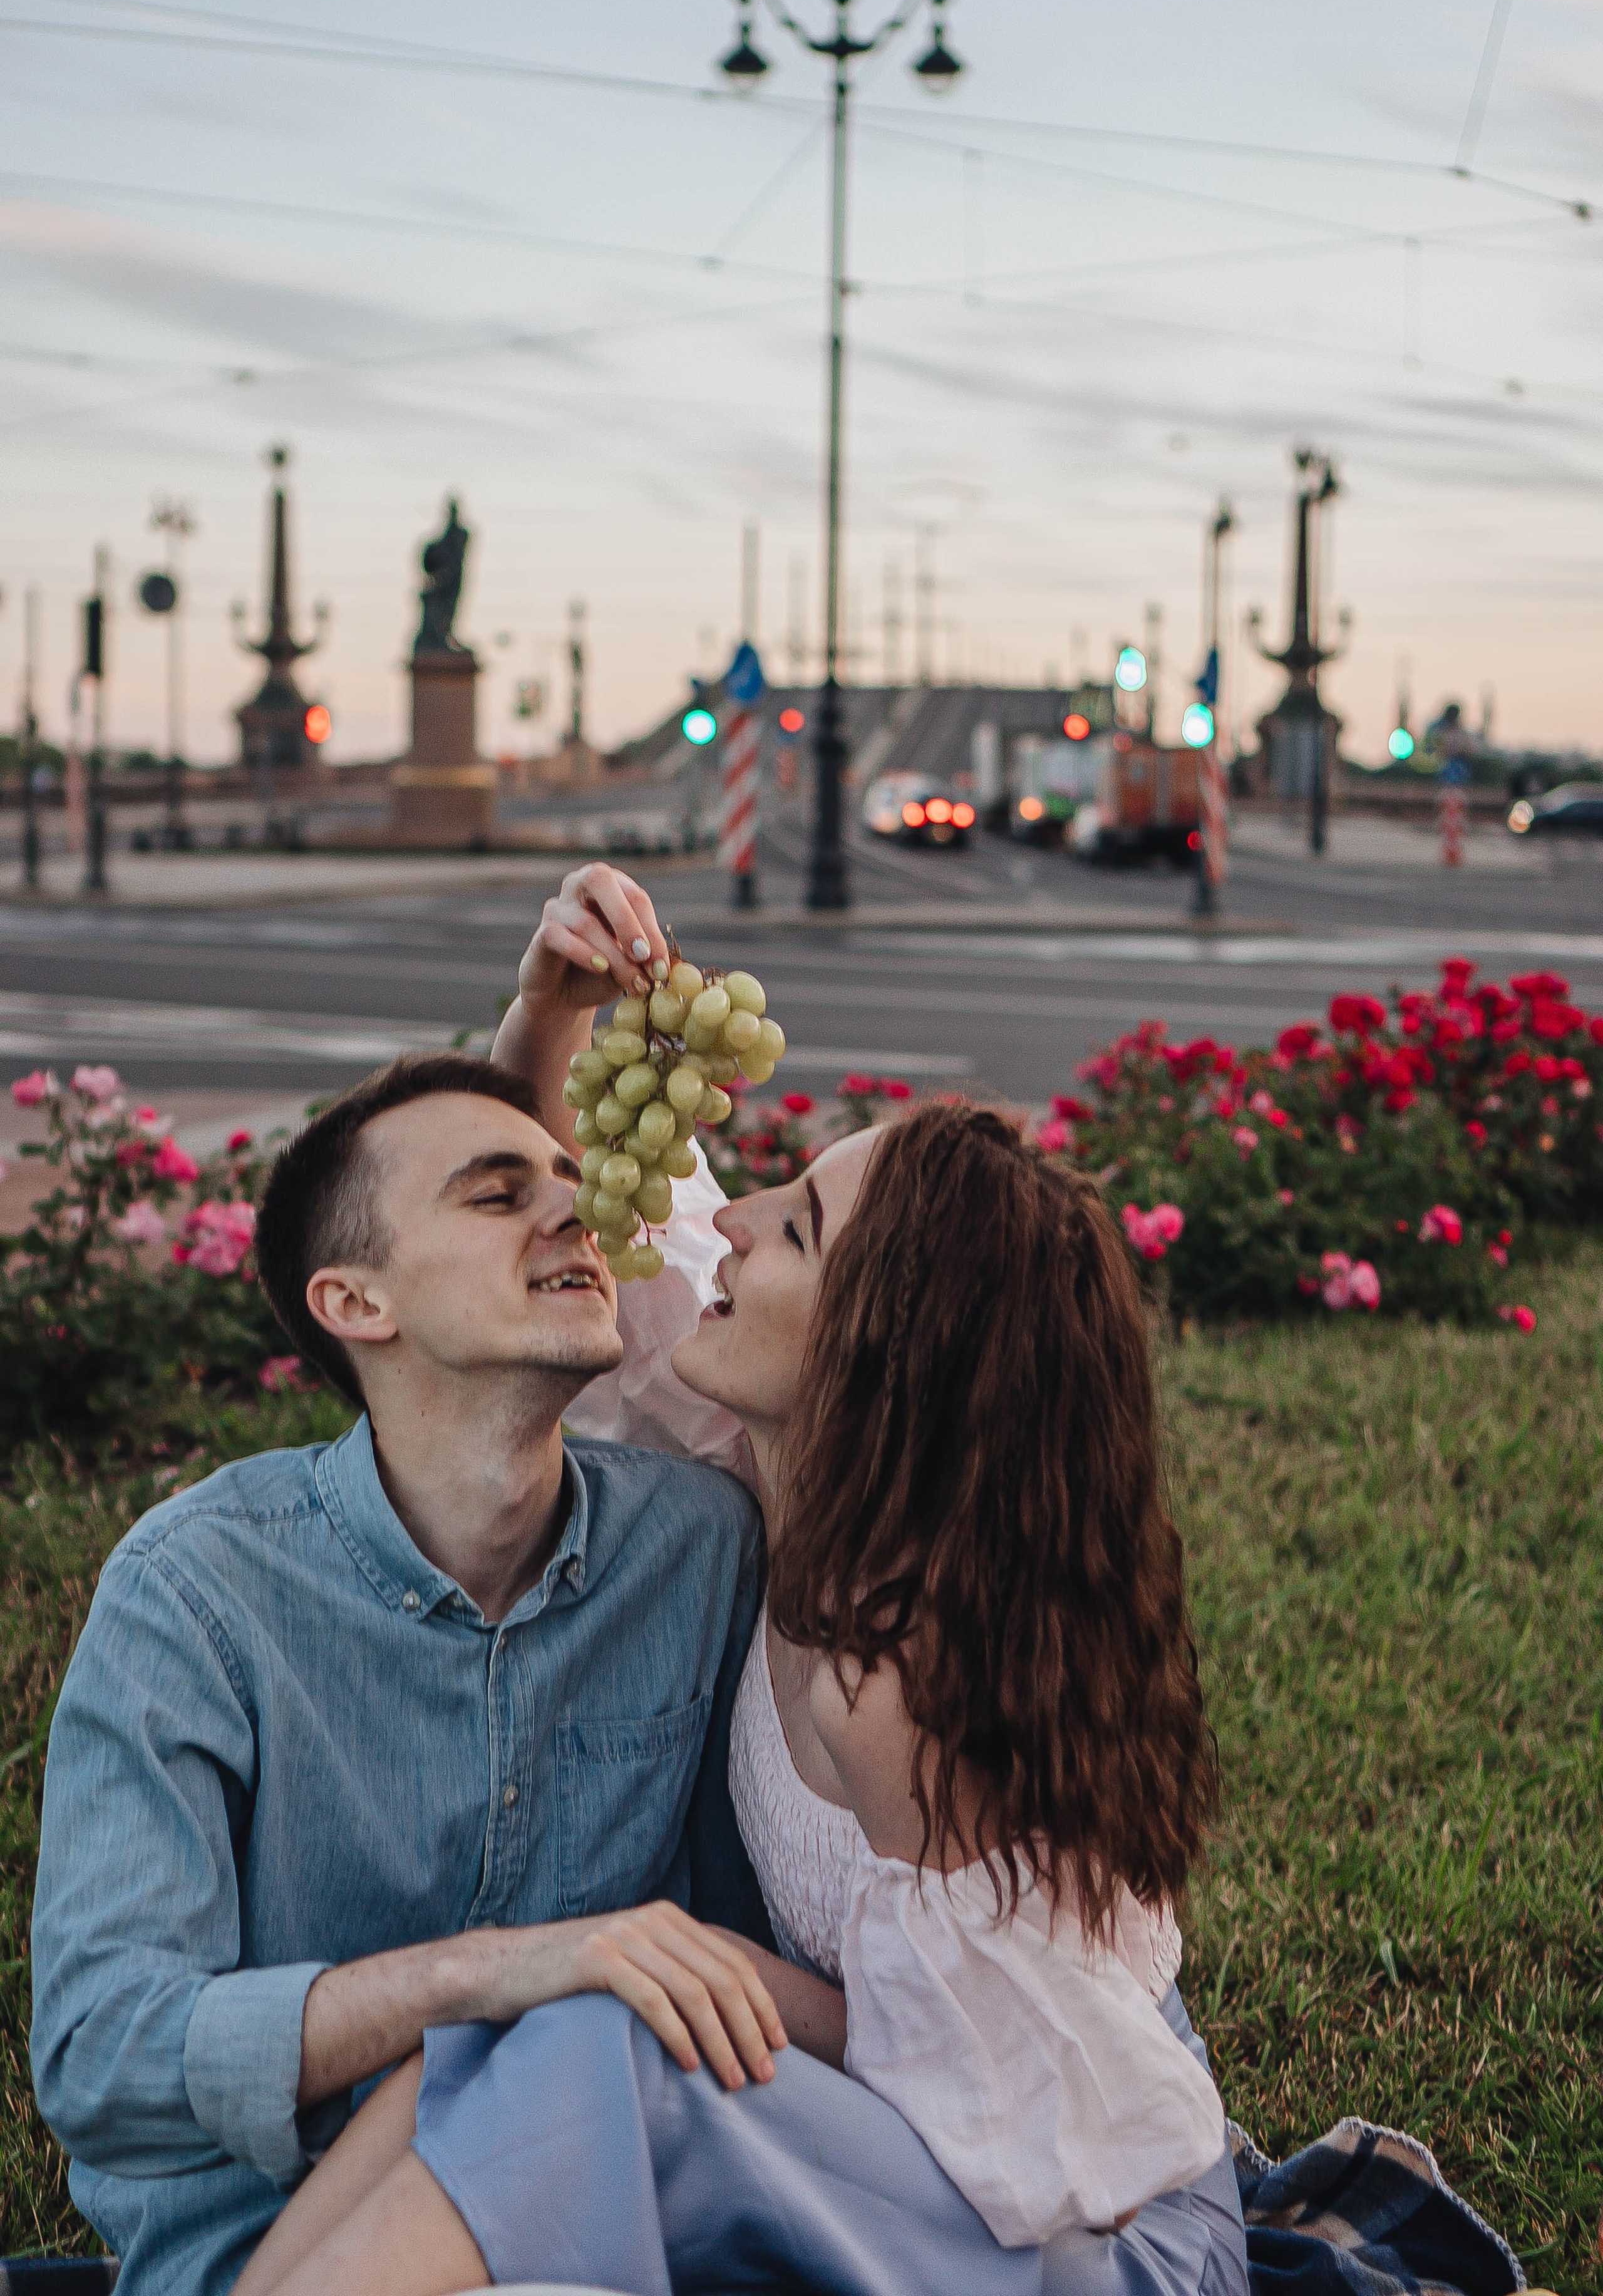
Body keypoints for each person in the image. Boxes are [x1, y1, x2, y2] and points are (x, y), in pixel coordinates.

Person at [237, 1078, 1248, 2296]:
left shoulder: (890, 1688)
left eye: (797, 1227)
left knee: (599, 2038)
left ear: (876, 1347)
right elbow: (607, 1224)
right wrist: (560, 1005)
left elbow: (991, 2100)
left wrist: (711, 1970)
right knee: (517, 2016)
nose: (732, 1219)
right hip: (963, 2157)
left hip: (1080, 2229)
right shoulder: (783, 1485)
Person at [29, 976, 792, 2296]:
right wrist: (498, 1974)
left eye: (569, 1176)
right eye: (497, 1196)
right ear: (356, 1304)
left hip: (598, 2214)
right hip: (260, 2244)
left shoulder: (698, 1548)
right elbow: (102, 2057)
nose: (577, 1208)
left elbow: (744, 1963)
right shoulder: (197, 1589)